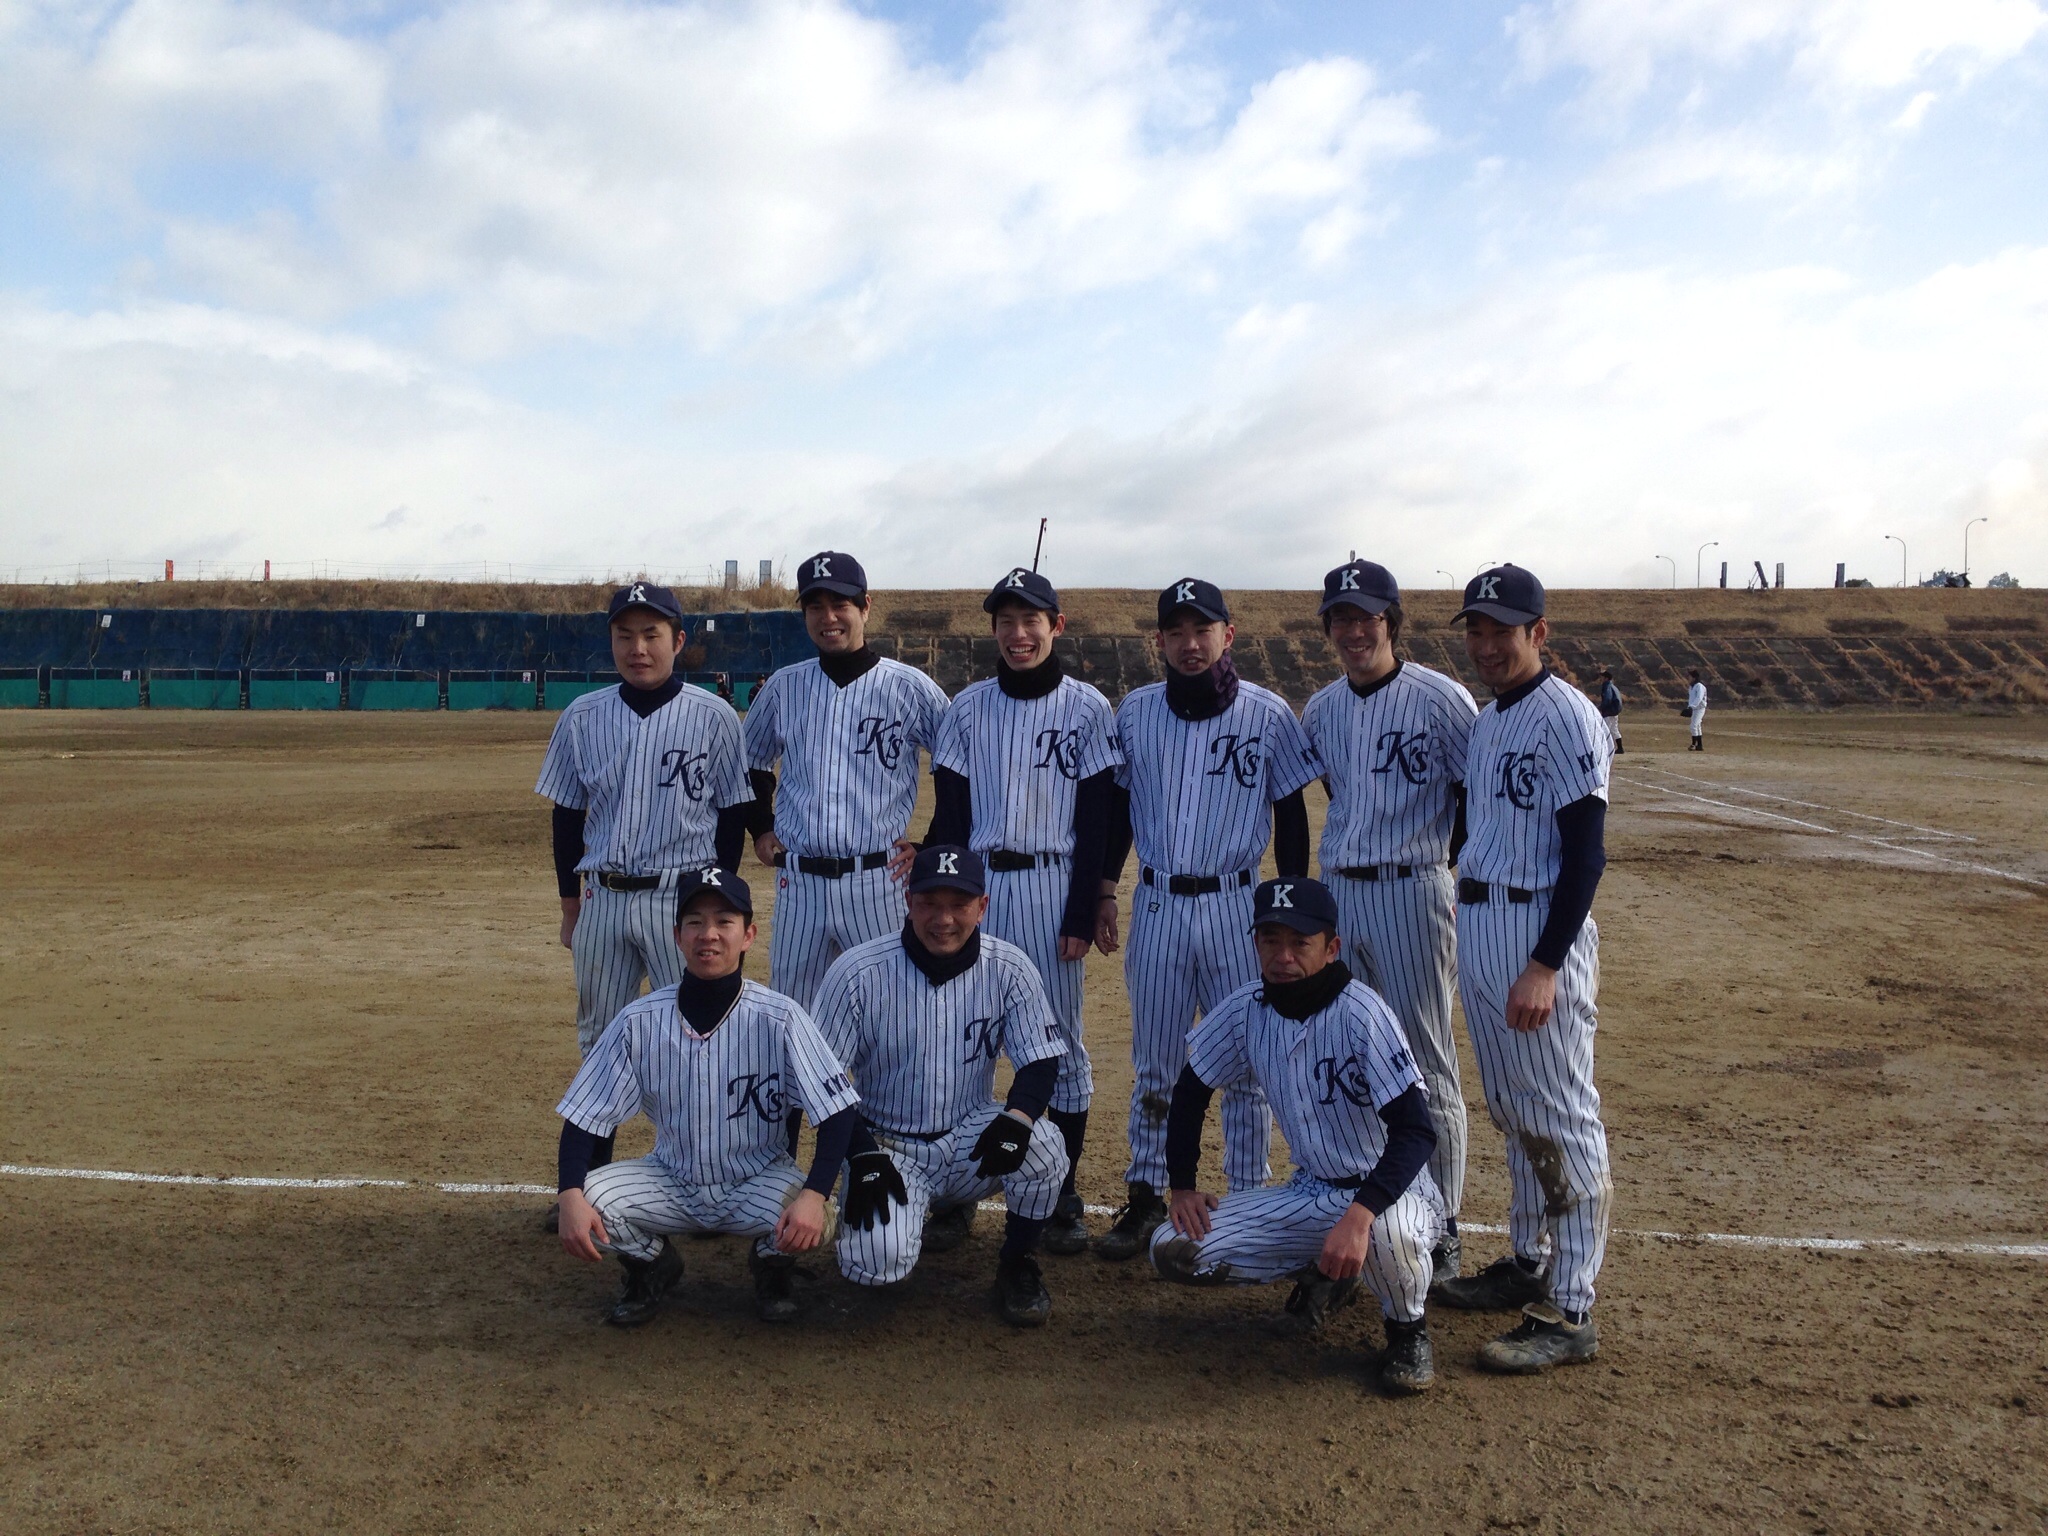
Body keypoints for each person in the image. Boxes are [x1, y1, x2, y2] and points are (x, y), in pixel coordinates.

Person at [1094, 578, 1321, 1261]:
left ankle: (1248, 1192)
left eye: (1204, 631)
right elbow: (1119, 814)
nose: (1191, 645)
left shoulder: (1269, 713)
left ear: (1229, 633)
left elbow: (1291, 814)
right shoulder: (1135, 712)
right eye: (1177, 633)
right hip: (1159, 902)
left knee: (1248, 1063)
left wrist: (1293, 904)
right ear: (1159, 640)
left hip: (1236, 905)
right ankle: (1145, 1191)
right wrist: (1106, 889)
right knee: (1156, 1062)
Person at [1151, 877, 1443, 1396]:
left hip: (1394, 1196)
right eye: (1270, 940)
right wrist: (1182, 1185)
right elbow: (1191, 1089)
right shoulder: (1247, 1009)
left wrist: (1360, 1213)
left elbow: (1417, 1131)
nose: (1283, 956)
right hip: (1311, 1192)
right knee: (1173, 1247)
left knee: (1387, 1236)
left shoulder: (1363, 1014)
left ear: (1330, 948)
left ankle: (1406, 1331)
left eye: (1299, 943)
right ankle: (1326, 1273)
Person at [1433, 565, 1613, 1374]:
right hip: (1483, 917)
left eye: (1502, 631)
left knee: (1561, 1112)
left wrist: (1545, 964)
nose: (1486, 645)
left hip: (1538, 923)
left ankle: (1571, 1306)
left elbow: (1586, 856)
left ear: (1538, 634)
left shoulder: (1569, 716)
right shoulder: (1492, 717)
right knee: (1512, 1105)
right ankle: (1527, 1258)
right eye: (1475, 629)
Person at [534, 583, 754, 1226]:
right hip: (603, 892)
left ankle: (709, 1178)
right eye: (625, 635)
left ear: (678, 641)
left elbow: (735, 813)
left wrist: (717, 908)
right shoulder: (582, 715)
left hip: (680, 897)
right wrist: (570, 904)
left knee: (702, 1037)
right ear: (612, 643)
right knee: (600, 1041)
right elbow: (567, 818)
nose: (638, 648)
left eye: (652, 634)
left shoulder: (713, 716)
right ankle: (590, 1188)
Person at [553, 868, 860, 1327]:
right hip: (670, 1179)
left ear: (748, 935)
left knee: (818, 1216)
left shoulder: (782, 1018)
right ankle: (652, 1265)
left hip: (758, 1181)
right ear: (677, 935)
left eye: (724, 922)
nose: (708, 935)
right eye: (694, 922)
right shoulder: (640, 1020)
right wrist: (568, 1195)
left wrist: (814, 1195)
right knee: (588, 1198)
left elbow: (838, 1114)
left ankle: (772, 1267)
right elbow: (584, 1117)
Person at [924, 568, 1122, 1255]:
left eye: (1030, 619)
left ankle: (1060, 1189)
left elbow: (1100, 815)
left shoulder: (1089, 707)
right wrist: (938, 900)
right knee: (959, 1037)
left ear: (1056, 626)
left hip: (1049, 882)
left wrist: (1082, 905)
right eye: (1005, 621)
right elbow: (949, 814)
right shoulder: (968, 708)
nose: (1017, 633)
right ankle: (954, 1186)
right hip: (977, 886)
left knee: (1057, 1040)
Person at [1299, 559, 1477, 1287]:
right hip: (1342, 891)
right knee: (1352, 1058)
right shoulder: (1322, 708)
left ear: (1391, 621)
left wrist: (1443, 864)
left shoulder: (1441, 699)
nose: (1353, 630)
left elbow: (1474, 793)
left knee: (1427, 1065)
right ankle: (1371, 1207)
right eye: (1340, 618)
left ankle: (1448, 1225)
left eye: (1366, 616)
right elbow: (1336, 792)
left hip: (1412, 890)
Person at [814, 846, 1072, 1327]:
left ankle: (1017, 1262)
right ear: (908, 901)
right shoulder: (856, 972)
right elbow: (821, 1083)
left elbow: (1040, 1059)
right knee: (875, 1266)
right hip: (889, 1147)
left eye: (959, 904)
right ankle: (914, 1211)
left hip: (972, 1136)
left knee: (1045, 1148)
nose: (944, 919)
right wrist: (862, 1153)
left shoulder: (1009, 967)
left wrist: (1016, 1118)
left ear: (983, 906)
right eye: (930, 903)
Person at [742, 552, 951, 1010]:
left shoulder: (909, 686)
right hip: (800, 884)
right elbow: (751, 762)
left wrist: (933, 844)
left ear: (865, 607)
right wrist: (761, 826)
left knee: (889, 1012)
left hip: (878, 879)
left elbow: (960, 766)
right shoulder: (783, 687)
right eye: (815, 606)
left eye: (840, 604)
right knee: (795, 1018)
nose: (828, 617)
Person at [1596, 670, 1623, 756]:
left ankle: (1605, 749)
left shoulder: (1607, 686)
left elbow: (1607, 699)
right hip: (1615, 711)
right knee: (1614, 729)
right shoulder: (1613, 686)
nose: (1601, 678)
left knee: (1604, 730)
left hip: (1609, 711)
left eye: (1602, 677)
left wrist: (1600, 708)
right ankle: (1620, 748)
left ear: (1606, 678)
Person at [1685, 669, 1707, 751]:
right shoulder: (1691, 686)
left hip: (1700, 708)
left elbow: (1699, 698)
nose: (1688, 678)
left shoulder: (1699, 686)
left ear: (1694, 677)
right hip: (1694, 708)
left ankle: (1694, 744)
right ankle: (1699, 745)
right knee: (1697, 726)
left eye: (1690, 676)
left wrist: (1691, 706)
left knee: (1693, 726)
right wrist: (1689, 706)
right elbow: (1691, 698)